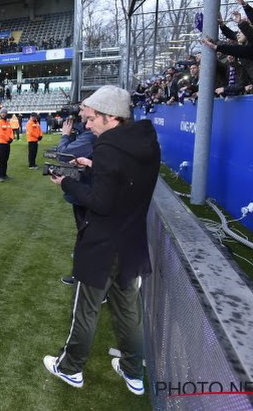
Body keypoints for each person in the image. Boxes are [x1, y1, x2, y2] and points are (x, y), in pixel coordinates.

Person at [43, 85, 160, 396]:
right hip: (132, 240)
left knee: (86, 309)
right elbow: (126, 180)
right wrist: (93, 166)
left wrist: (65, 180)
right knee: (128, 311)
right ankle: (134, 373)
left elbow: (101, 202)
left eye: (91, 118)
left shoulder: (108, 147)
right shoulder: (144, 142)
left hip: (104, 243)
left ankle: (70, 369)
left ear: (111, 118)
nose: (87, 124)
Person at [54, 113, 96, 286]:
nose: (80, 114)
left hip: (87, 194)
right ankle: (84, 276)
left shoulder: (91, 134)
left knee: (88, 238)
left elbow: (64, 155)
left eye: (83, 109)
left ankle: (89, 283)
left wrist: (65, 135)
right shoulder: (91, 133)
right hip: (87, 192)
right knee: (85, 237)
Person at [0, 109, 14, 182]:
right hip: (0, 143)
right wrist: (8, 139)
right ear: (0, 114)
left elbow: (11, 131)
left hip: (7, 144)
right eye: (2, 113)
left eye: (5, 113)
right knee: (0, 160)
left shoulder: (8, 123)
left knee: (5, 159)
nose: (3, 114)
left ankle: (4, 174)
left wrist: (11, 138)